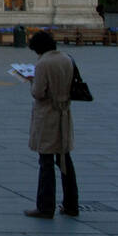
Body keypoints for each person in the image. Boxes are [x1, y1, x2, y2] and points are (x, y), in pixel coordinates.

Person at [23, 31, 78, 218]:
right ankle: (71, 204)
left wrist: (30, 81)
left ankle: (45, 206)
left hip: (48, 115)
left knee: (46, 162)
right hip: (65, 112)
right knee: (65, 160)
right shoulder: (66, 58)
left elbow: (38, 93)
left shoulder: (43, 63)